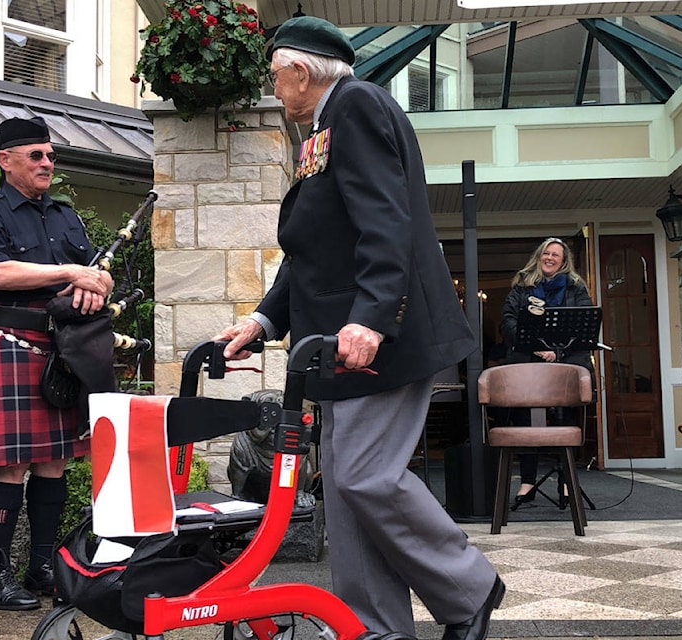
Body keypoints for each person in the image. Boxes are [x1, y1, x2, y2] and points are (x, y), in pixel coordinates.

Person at [214, 16, 503, 640]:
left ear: (301, 71)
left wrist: (371, 318)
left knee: (364, 475)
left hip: (381, 338)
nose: (274, 89)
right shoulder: (323, 124)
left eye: (276, 76)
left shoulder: (358, 106)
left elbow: (385, 219)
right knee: (345, 492)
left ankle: (469, 587)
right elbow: (313, 250)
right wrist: (263, 320)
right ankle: (370, 627)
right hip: (340, 345)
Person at [0, 116, 113, 610]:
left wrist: (96, 288)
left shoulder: (66, 215)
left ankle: (42, 567)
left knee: (56, 461)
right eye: (36, 156)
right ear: (5, 161)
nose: (48, 163)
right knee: (13, 464)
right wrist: (71, 273)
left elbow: (95, 273)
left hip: (66, 347)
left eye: (50, 155)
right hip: (14, 341)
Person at [499, 237, 594, 507]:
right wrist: (537, 347)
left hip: (564, 363)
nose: (550, 258)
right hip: (528, 363)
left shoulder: (575, 287)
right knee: (526, 423)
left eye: (556, 255)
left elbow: (584, 323)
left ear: (564, 261)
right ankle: (527, 482)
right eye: (547, 253)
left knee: (566, 423)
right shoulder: (522, 284)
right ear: (539, 256)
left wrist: (558, 353)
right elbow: (508, 321)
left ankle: (566, 482)